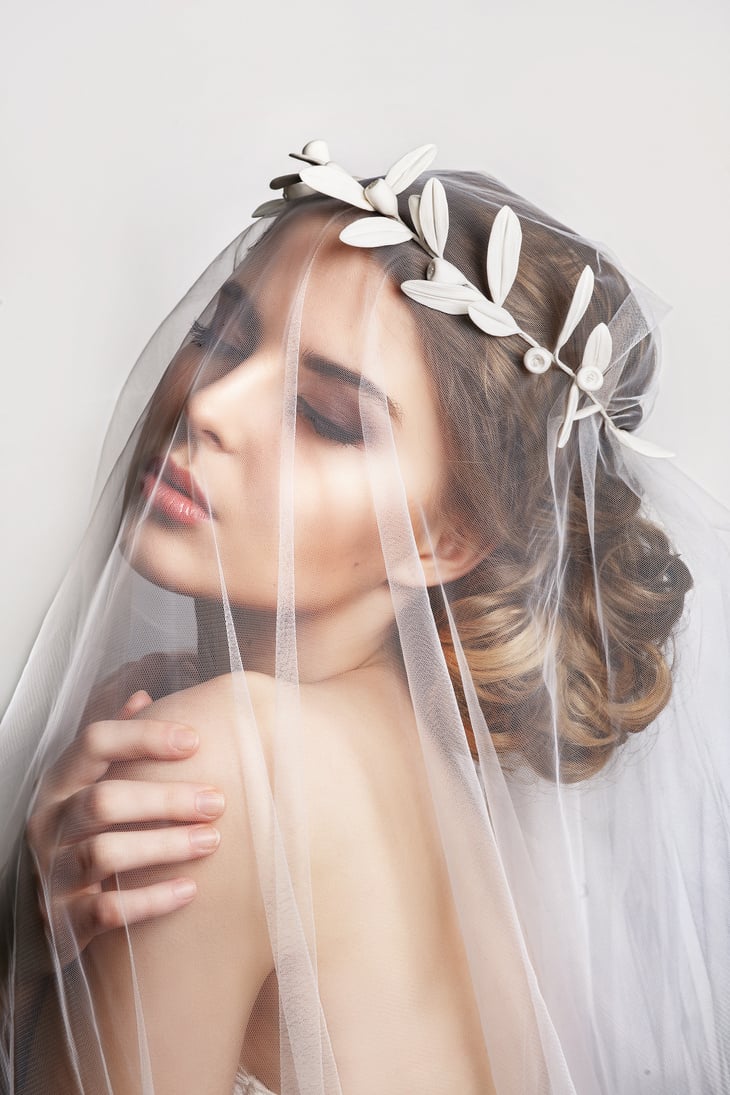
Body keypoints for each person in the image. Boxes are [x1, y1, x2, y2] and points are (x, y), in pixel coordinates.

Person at [1, 139, 728, 1094]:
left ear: (446, 535)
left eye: (329, 415)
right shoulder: (483, 842)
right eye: (222, 336)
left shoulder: (212, 769)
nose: (210, 403)